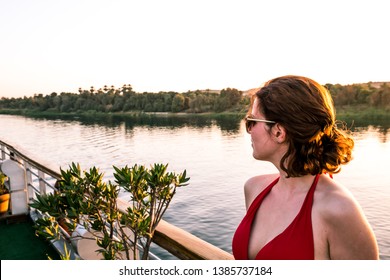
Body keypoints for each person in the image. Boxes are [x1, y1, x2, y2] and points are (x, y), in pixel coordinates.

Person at [232, 75, 379, 260]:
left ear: (279, 132)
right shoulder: (253, 189)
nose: (249, 130)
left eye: (252, 122)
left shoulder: (338, 209)